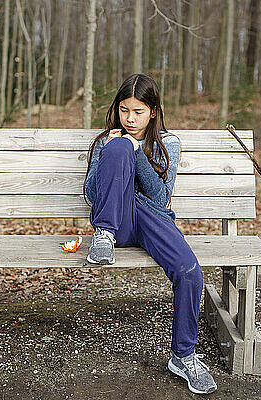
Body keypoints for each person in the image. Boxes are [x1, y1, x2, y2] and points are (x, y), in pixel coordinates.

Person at [83, 73, 217, 395]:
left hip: (154, 221)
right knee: (119, 149)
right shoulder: (107, 141)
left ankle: (183, 356)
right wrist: (115, 150)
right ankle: (103, 235)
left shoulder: (168, 144)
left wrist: (136, 152)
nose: (129, 119)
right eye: (124, 110)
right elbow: (90, 193)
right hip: (118, 222)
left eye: (138, 112)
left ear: (153, 111)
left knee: (189, 271)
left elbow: (159, 199)